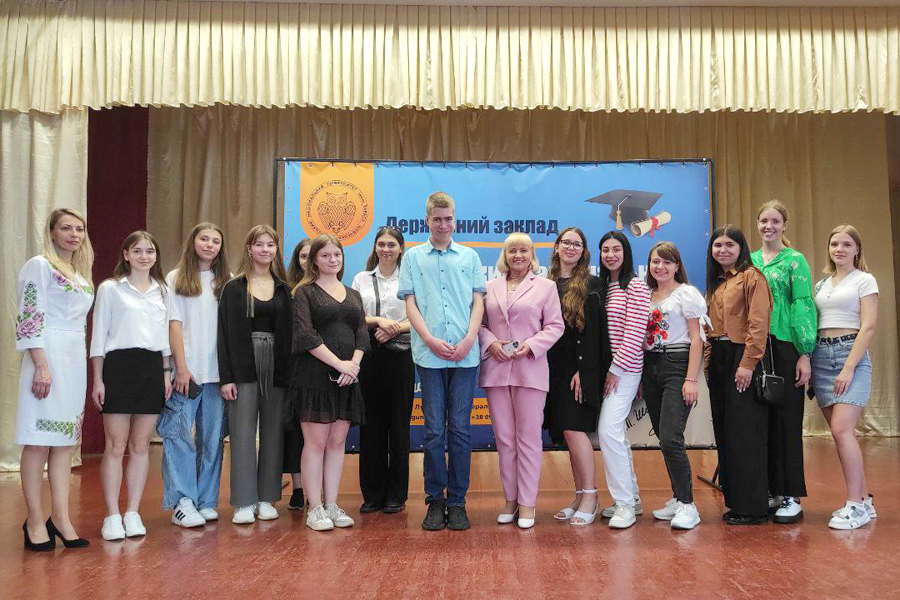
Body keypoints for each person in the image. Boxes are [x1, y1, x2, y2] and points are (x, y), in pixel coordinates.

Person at [399, 191, 486, 531]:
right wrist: (430, 339)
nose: (443, 224)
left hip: (465, 355)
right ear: (427, 220)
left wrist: (469, 340)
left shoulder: (470, 256)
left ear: (454, 219)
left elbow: (478, 303)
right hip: (429, 355)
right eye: (437, 219)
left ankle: (458, 501)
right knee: (434, 431)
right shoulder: (412, 257)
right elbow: (410, 304)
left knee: (461, 429)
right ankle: (435, 500)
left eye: (448, 218)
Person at [16, 209, 94, 551]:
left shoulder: (80, 273)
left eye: (79, 229)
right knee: (37, 442)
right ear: (51, 232)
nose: (74, 234)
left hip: (74, 358)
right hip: (46, 355)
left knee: (63, 443)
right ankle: (35, 520)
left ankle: (61, 518)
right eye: (66, 228)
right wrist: (41, 365)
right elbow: (30, 316)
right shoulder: (40, 265)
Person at [91, 231, 173, 541]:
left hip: (151, 368)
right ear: (126, 254)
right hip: (118, 367)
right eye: (137, 251)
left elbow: (165, 338)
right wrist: (98, 379)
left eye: (149, 251)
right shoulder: (110, 289)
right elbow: (98, 337)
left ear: (156, 256)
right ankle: (112, 514)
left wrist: (165, 373)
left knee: (140, 445)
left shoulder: (163, 291)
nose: (143, 256)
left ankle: (133, 512)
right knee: (116, 445)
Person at [479, 233, 563, 529]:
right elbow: (479, 325)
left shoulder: (546, 287)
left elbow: (555, 326)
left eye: (523, 250)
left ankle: (527, 503)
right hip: (497, 371)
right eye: (512, 250)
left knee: (528, 439)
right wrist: (491, 343)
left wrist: (531, 345)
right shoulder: (489, 287)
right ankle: (510, 500)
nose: (518, 255)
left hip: (530, 370)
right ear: (505, 255)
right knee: (504, 439)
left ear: (532, 255)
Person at [288, 234, 369, 531]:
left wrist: (353, 366)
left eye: (337, 254)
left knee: (337, 443)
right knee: (316, 443)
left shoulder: (353, 294)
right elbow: (305, 335)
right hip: (314, 378)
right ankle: (315, 508)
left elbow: (362, 333)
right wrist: (339, 364)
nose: (332, 260)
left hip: (347, 379)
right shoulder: (304, 292)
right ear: (314, 260)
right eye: (325, 255)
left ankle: (332, 504)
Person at [218, 225, 292, 525]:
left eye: (270, 245)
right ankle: (244, 501)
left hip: (276, 365)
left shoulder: (284, 289)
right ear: (249, 248)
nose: (265, 250)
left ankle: (266, 497)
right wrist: (226, 378)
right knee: (242, 432)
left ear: (276, 250)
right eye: (259, 244)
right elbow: (223, 335)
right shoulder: (234, 288)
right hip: (243, 365)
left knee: (273, 431)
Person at [158, 223, 230, 528]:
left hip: (217, 375)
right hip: (187, 374)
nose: (210, 245)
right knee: (179, 437)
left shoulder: (226, 282)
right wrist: (181, 367)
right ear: (193, 241)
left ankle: (207, 500)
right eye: (204, 239)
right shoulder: (175, 278)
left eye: (216, 241)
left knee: (212, 440)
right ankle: (182, 502)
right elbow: (173, 325)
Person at [751, 201, 817, 524]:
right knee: (762, 422)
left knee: (787, 421)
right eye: (764, 220)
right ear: (757, 224)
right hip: (756, 347)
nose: (769, 226)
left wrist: (805, 352)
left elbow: (802, 304)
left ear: (784, 225)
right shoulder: (750, 261)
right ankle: (771, 490)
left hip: (787, 345)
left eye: (775, 221)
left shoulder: (795, 261)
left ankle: (791, 494)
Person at [810, 225, 878, 530]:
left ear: (857, 249)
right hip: (821, 355)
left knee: (841, 430)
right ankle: (864, 500)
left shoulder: (865, 280)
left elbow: (869, 326)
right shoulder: (821, 284)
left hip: (850, 354)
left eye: (847, 244)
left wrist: (849, 366)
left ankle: (855, 505)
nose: (839, 249)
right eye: (834, 243)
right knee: (840, 434)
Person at [545, 227, 612, 526]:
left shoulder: (592, 284)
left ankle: (591, 496)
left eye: (577, 244)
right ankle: (578, 495)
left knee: (575, 430)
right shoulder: (545, 282)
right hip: (551, 372)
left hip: (578, 372)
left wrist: (584, 373)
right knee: (567, 434)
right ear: (557, 247)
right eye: (566, 242)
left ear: (584, 251)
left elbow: (595, 335)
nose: (571, 248)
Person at [705, 225, 772, 525]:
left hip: (741, 357)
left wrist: (747, 363)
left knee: (744, 432)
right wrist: (709, 365)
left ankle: (752, 507)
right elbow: (709, 329)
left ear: (741, 248)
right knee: (726, 431)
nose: (723, 250)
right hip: (719, 358)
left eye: (729, 245)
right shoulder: (717, 283)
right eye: (718, 245)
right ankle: (735, 501)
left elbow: (758, 324)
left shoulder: (751, 277)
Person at [643, 242, 708, 530]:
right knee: (663, 436)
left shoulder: (686, 294)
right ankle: (678, 497)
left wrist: (691, 379)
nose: (661, 267)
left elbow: (697, 338)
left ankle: (688, 505)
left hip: (676, 365)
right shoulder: (646, 295)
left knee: (671, 438)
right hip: (650, 367)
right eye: (655, 261)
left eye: (667, 262)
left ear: (677, 266)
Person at [351, 227, 415, 514]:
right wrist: (378, 321)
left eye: (391, 244)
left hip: (401, 357)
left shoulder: (411, 279)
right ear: (375, 247)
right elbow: (354, 317)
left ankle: (396, 495)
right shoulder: (361, 278)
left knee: (399, 427)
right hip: (369, 357)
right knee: (371, 427)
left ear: (401, 248)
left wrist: (394, 328)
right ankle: (372, 494)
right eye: (381, 244)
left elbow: (420, 317)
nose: (386, 249)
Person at [597, 230, 650, 529]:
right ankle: (633, 498)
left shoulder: (636, 286)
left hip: (625, 370)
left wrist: (615, 370)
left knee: (608, 431)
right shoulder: (605, 286)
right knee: (615, 433)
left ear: (626, 252)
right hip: (608, 371)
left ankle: (625, 505)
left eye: (616, 249)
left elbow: (635, 333)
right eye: (605, 250)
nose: (611, 255)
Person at [283, 237, 311, 511]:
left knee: (319, 433)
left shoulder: (332, 289)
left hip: (322, 368)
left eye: (313, 255)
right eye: (303, 256)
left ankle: (320, 489)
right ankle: (298, 488)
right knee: (294, 432)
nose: (308, 261)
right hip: (293, 369)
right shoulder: (286, 291)